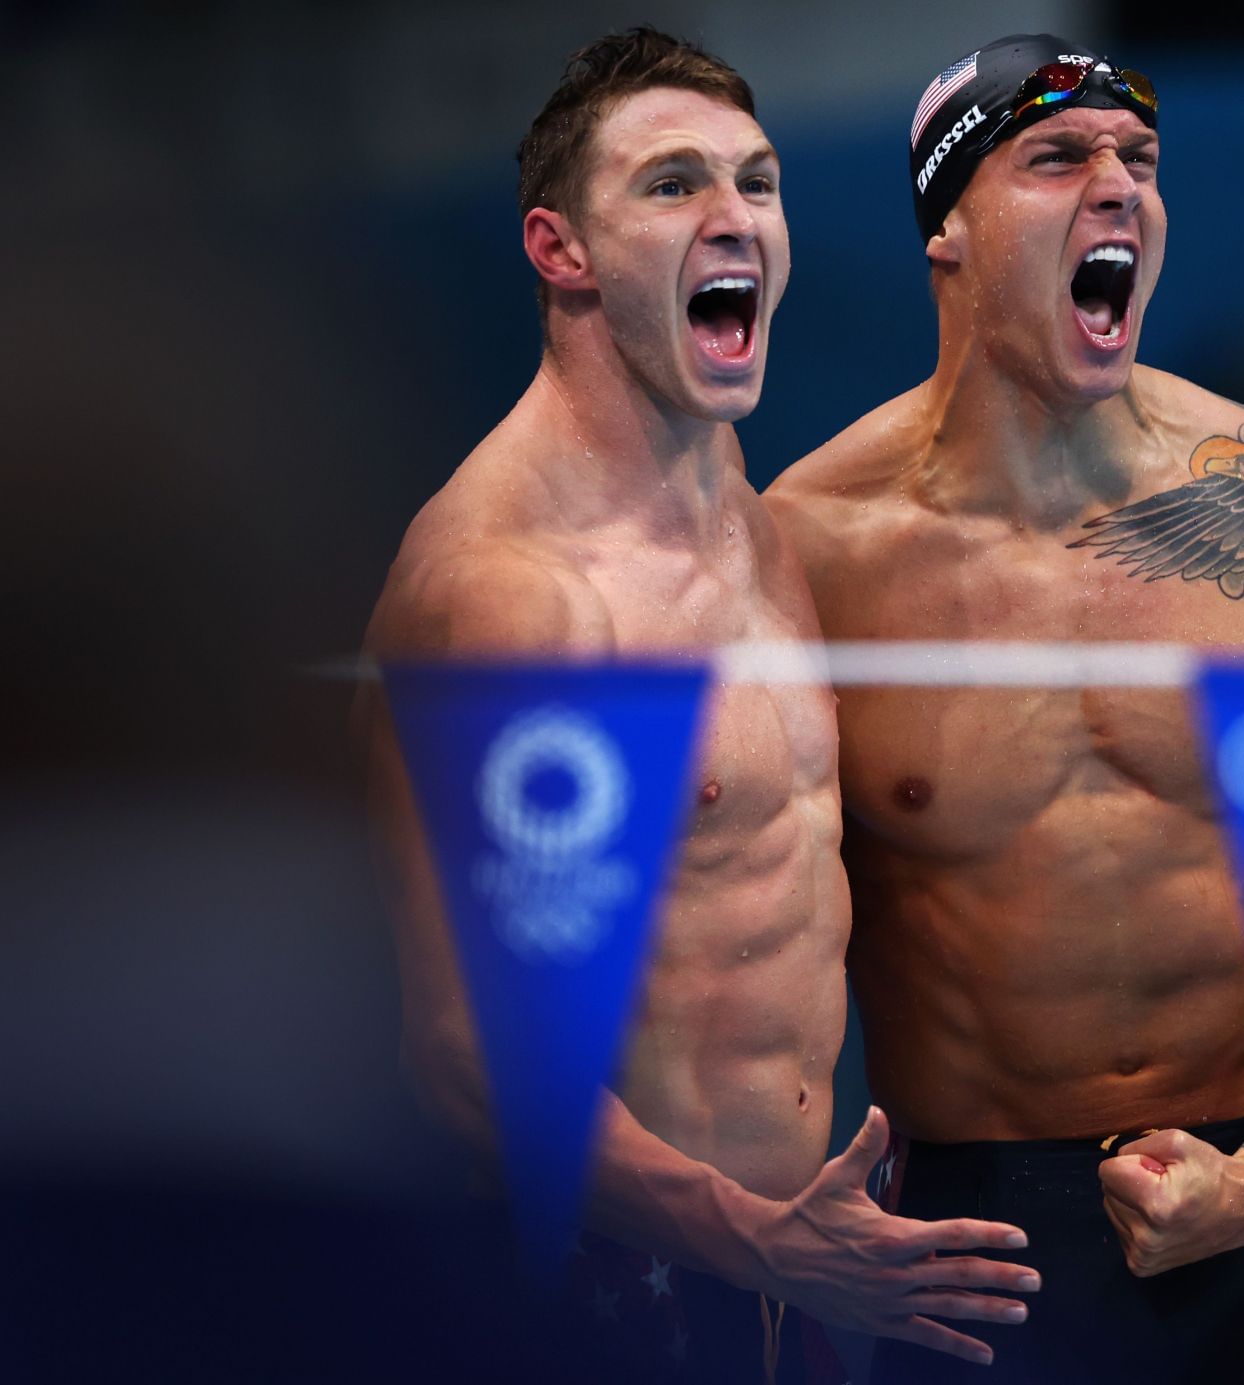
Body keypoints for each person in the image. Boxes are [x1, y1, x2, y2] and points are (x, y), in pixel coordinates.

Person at [767, 34, 1244, 1383]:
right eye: (1056, 157)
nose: (1118, 187)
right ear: (951, 234)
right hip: (971, 1255)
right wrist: (758, 1232)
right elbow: (719, 941)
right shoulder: (801, 556)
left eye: (1138, 159)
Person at [357, 28, 1037, 1382]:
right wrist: (751, 1233)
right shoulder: (517, 595)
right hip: (604, 1289)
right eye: (673, 185)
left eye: (759, 182)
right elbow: (466, 1061)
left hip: (792, 1277)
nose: (736, 217)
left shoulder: (757, 523)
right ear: (562, 251)